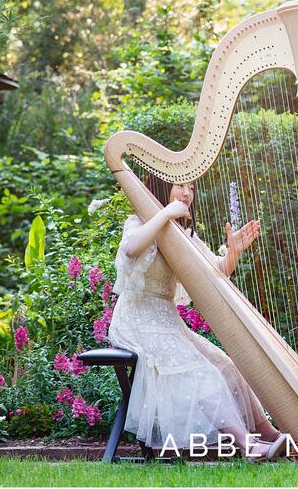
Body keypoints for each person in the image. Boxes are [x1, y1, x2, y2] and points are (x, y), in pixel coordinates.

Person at [107, 175, 287, 461]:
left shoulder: (184, 235)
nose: (187, 193)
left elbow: (215, 272)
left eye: (191, 188)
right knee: (203, 373)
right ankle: (248, 445)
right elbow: (131, 249)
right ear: (161, 187)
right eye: (181, 186)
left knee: (226, 365)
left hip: (168, 322)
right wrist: (164, 213)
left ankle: (271, 435)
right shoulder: (139, 221)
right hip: (136, 321)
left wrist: (233, 251)